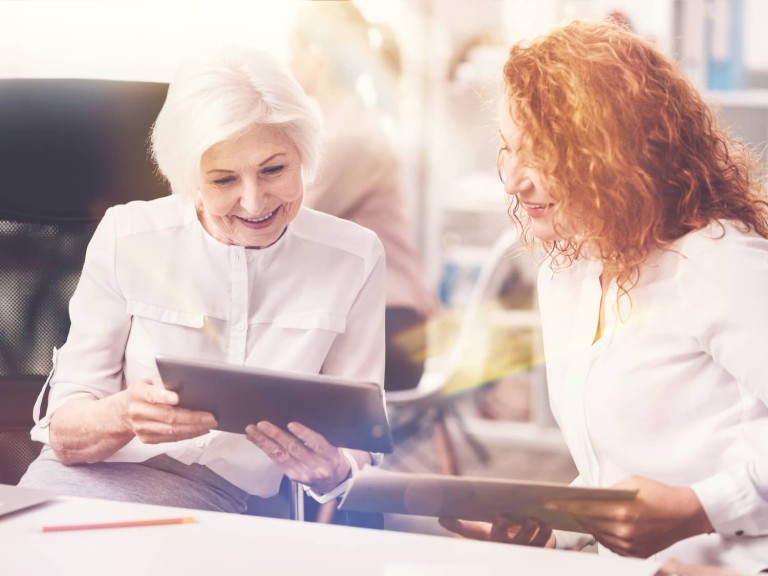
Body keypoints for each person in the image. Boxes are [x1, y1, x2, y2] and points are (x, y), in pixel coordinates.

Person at [440, 20, 768, 574]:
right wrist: (556, 531)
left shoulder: (719, 265)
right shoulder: (567, 276)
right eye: (509, 150)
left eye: (540, 153)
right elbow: (616, 472)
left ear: (612, 153)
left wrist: (699, 509)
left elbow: (682, 499)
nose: (514, 181)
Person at [19, 47, 386, 514]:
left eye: (274, 169)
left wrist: (336, 470)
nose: (254, 203)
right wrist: (122, 413)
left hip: (213, 504)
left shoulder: (354, 258)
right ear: (189, 179)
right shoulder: (127, 235)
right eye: (223, 180)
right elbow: (65, 436)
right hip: (75, 485)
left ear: (304, 157)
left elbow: (358, 435)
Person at [289, 1, 437, 391]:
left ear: (317, 55)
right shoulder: (340, 129)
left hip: (389, 331)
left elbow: (282, 222)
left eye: (293, 50)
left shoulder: (349, 139)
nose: (286, 63)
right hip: (380, 322)